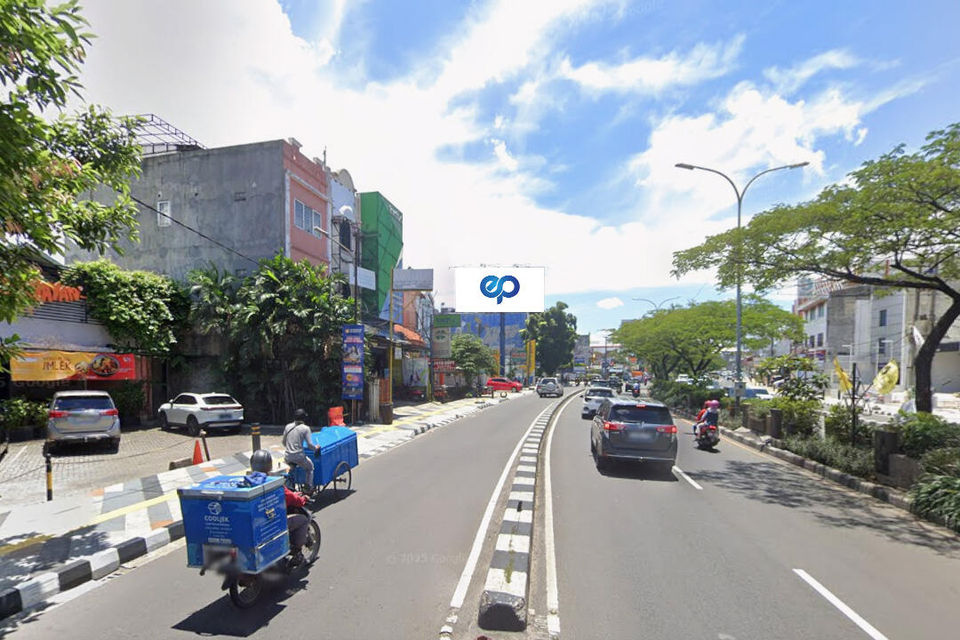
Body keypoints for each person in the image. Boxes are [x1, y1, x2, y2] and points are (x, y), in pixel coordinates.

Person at [249, 449, 310, 565]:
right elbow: (292, 498)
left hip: (255, 526)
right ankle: (297, 552)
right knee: (303, 520)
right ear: (269, 465)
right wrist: (303, 499)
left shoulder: (246, 483)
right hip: (272, 525)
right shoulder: (273, 484)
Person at [283, 409, 320, 495]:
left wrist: (290, 448)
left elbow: (284, 442)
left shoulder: (288, 426)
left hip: (287, 456)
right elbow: (309, 445)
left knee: (291, 470)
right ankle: (308, 488)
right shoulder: (305, 428)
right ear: (304, 418)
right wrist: (316, 448)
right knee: (310, 467)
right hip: (299, 456)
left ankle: (292, 486)